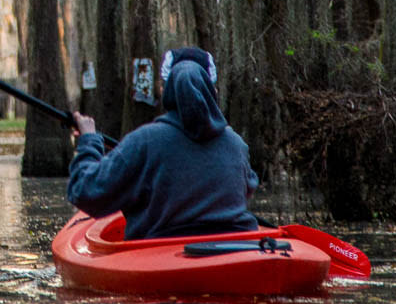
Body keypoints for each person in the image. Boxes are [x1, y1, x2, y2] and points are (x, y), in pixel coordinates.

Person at [66, 46, 260, 241]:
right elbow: (248, 187)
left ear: (163, 90)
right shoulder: (237, 145)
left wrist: (89, 141)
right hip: (237, 248)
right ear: (213, 91)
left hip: (161, 255)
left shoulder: (144, 141)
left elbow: (85, 192)